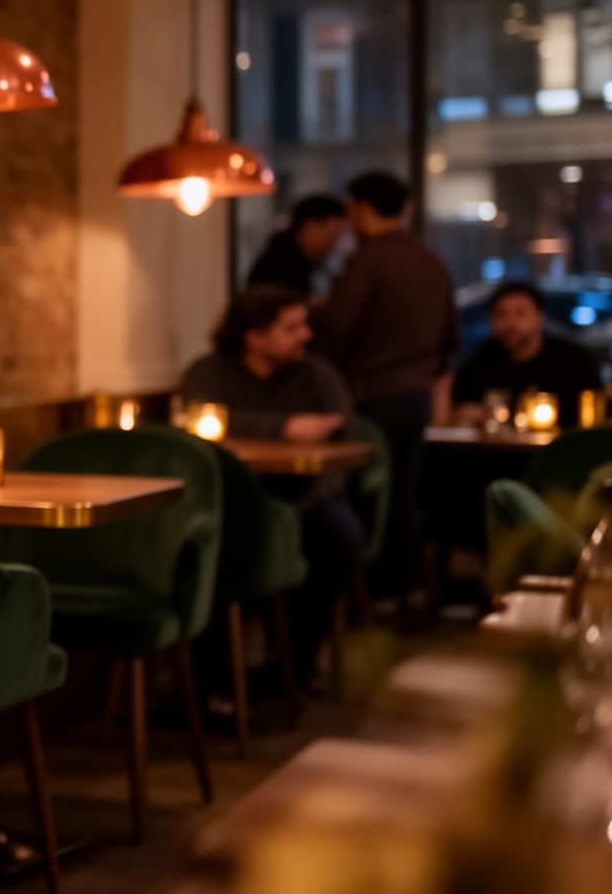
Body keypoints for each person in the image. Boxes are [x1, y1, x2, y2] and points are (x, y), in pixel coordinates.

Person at [183, 285, 365, 681]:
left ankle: (294, 665)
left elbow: (344, 437)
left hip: (305, 497)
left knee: (340, 536)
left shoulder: (317, 375)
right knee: (201, 544)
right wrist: (284, 426)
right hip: (228, 500)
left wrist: (301, 503)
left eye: (304, 325)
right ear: (253, 336)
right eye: (291, 328)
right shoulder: (209, 372)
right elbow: (195, 422)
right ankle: (212, 680)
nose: (306, 335)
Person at [318, 171, 459, 599]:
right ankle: (407, 593)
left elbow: (337, 329)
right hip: (417, 398)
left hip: (370, 398)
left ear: (362, 208)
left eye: (350, 210)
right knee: (402, 496)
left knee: (370, 500)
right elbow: (450, 341)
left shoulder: (366, 262)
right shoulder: (432, 262)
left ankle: (369, 597)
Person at [451, 281, 603, 427]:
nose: (510, 323)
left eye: (520, 313)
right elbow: (461, 410)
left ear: (540, 317)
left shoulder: (574, 362)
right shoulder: (478, 365)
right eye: (502, 314)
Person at [245, 194, 348, 296]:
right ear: (310, 225)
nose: (338, 239)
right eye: (334, 233)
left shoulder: (318, 263)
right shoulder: (280, 263)